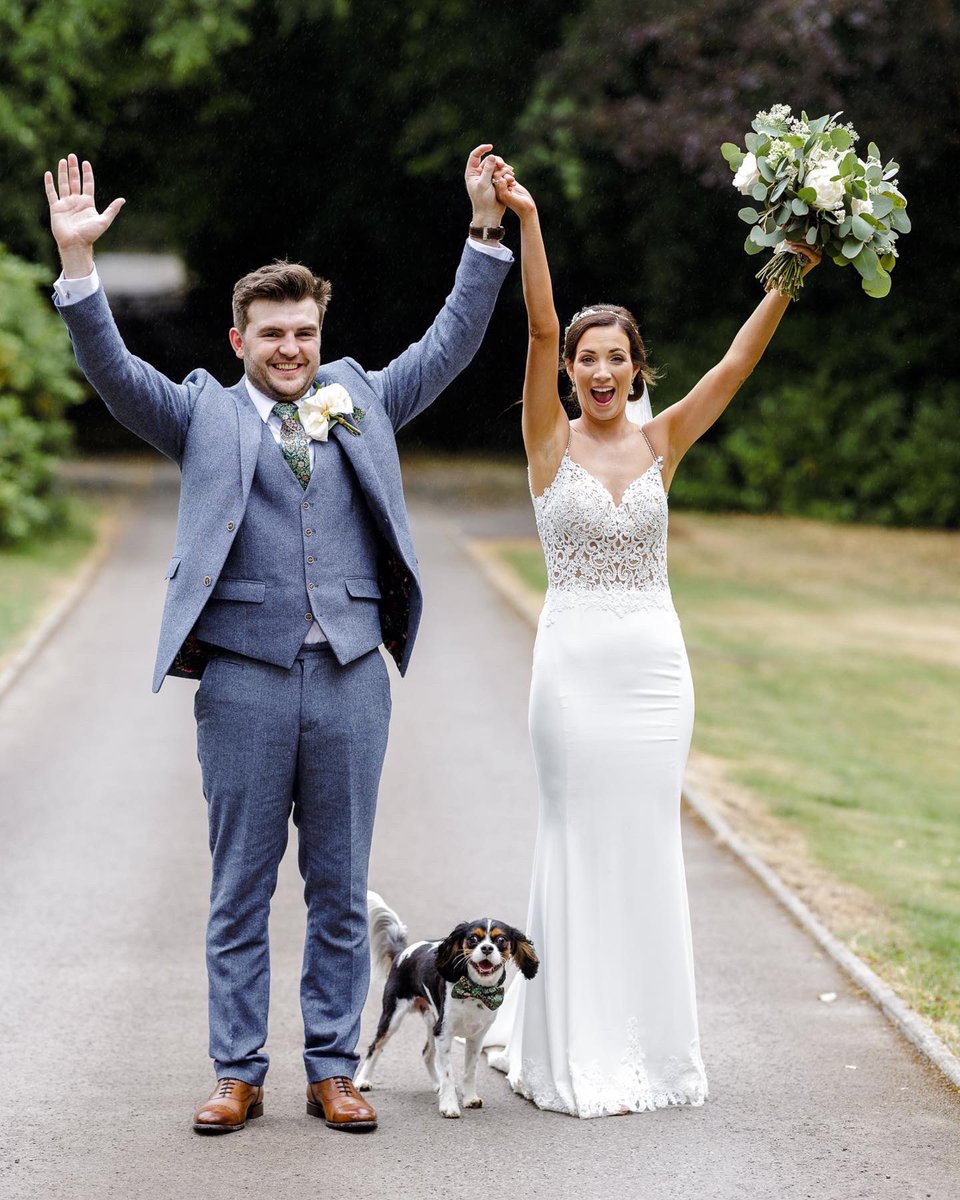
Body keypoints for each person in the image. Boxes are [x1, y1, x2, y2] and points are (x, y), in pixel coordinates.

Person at [44, 147, 513, 1135]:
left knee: (340, 890)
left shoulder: (362, 400)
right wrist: (80, 270)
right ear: (239, 338)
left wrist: (483, 234)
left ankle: (335, 1069)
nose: (291, 348)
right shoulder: (201, 414)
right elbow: (114, 374)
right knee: (239, 889)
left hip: (350, 677)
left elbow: (450, 345)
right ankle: (237, 1072)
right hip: (245, 682)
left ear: (319, 333)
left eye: (304, 331)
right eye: (272, 334)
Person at [483, 171, 818, 1118]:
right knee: (578, 840)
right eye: (585, 357)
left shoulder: (664, 441)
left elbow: (735, 368)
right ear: (569, 371)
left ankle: (651, 1041)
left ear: (637, 369)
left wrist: (791, 272)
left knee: (644, 845)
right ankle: (568, 1039)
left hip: (655, 673)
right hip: (574, 670)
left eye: (614, 358)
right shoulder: (547, 441)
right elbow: (539, 326)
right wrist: (532, 221)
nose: (596, 370)